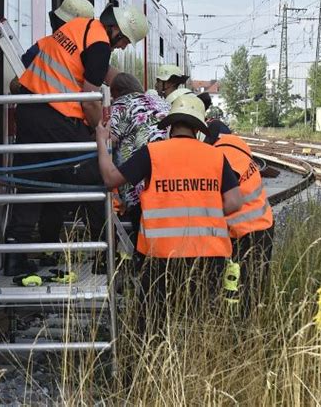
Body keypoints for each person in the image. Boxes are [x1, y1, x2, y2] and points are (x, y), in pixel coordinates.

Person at [4, 3, 150, 276]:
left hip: (29, 112)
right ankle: (105, 255)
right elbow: (89, 97)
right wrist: (100, 132)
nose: (121, 47)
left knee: (32, 183)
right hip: (57, 118)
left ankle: (15, 256)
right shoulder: (98, 43)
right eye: (125, 41)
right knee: (96, 179)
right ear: (116, 29)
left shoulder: (76, 28)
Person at [96, 94, 243, 328]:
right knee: (201, 322)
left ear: (171, 125)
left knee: (153, 321)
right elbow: (235, 201)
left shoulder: (152, 152)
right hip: (209, 255)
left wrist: (101, 143)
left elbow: (110, 179)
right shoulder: (216, 155)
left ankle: (155, 362)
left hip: (160, 256)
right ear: (198, 129)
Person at [213, 132, 274, 317]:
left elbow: (224, 198)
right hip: (263, 224)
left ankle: (237, 327)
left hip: (243, 231)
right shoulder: (234, 142)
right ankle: (246, 323)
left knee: (237, 289)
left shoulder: (219, 155)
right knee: (252, 287)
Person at [109, 73, 169, 245]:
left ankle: (144, 261)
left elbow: (109, 139)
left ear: (117, 92)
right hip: (169, 174)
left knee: (142, 227)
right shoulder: (159, 102)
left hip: (140, 179)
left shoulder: (121, 105)